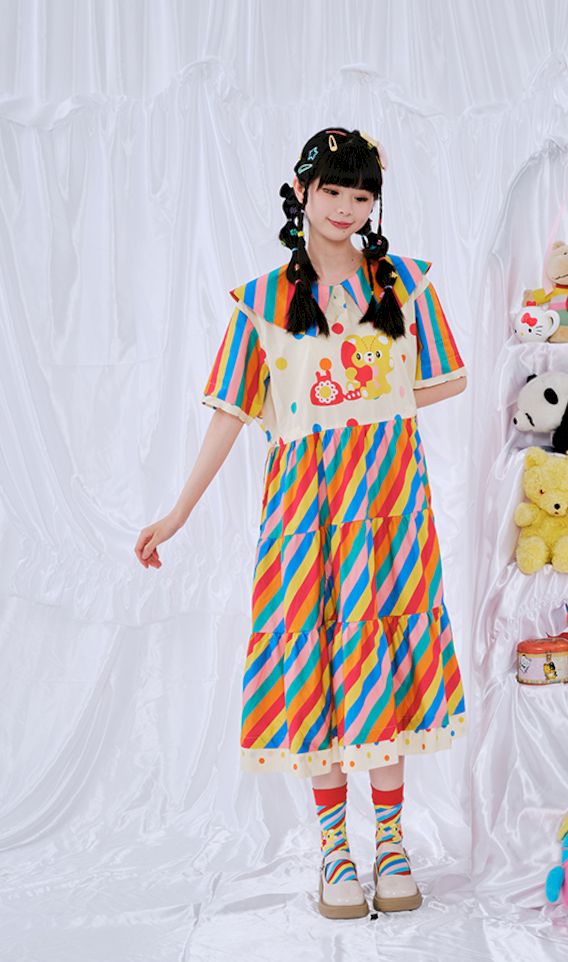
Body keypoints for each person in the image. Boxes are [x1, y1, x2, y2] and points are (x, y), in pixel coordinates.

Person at [134, 127, 468, 920]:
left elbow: (446, 379)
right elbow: (229, 413)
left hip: (388, 504)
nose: (347, 208)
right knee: (317, 656)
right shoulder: (264, 302)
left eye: (361, 195)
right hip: (304, 510)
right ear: (302, 192)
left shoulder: (404, 284)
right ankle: (334, 849)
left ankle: (391, 842)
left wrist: (377, 402)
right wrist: (178, 512)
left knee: (384, 653)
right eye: (333, 192)